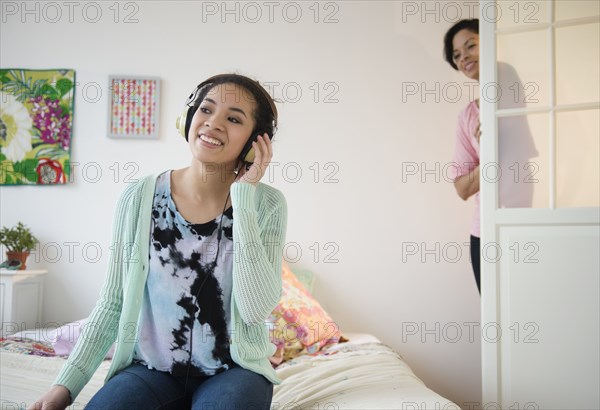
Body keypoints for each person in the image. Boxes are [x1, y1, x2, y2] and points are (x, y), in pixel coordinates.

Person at [29, 73, 287, 409]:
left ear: (256, 141)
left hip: (234, 372)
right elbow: (112, 304)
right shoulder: (140, 197)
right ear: (188, 118)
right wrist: (64, 386)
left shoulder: (267, 205)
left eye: (234, 118)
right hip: (151, 370)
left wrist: (243, 197)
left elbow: (255, 310)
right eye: (206, 110)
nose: (213, 124)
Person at [443, 19, 482, 293]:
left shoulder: (524, 97)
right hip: (484, 233)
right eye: (457, 55)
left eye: (471, 45)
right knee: (497, 322)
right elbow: (462, 188)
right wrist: (489, 157)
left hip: (530, 225)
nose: (464, 57)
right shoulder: (469, 116)